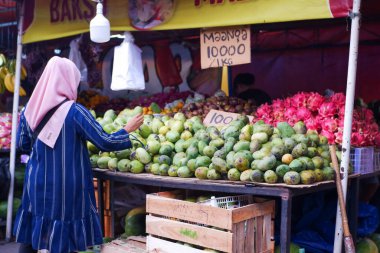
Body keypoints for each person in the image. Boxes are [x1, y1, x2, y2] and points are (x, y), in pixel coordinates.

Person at [13, 56, 143, 253]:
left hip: (36, 181)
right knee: (65, 239)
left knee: (33, 236)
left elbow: (22, 144)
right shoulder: (75, 112)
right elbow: (104, 142)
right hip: (65, 188)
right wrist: (126, 130)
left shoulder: (29, 110)